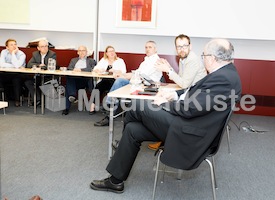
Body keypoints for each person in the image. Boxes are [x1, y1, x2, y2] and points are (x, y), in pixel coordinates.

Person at [89, 38, 242, 194]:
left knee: (137, 108)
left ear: (213, 58)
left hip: (190, 132)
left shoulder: (223, 79)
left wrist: (163, 103)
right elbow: (193, 90)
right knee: (133, 130)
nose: (203, 59)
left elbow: (190, 109)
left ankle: (120, 145)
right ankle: (115, 181)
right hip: (189, 123)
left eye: (204, 56)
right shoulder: (226, 73)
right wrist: (173, 94)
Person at [148, 34, 208, 150]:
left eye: (184, 46)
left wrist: (168, 70)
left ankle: (164, 138)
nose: (181, 49)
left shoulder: (192, 60)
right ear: (176, 48)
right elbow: (181, 78)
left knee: (160, 104)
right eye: (179, 47)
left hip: (194, 99)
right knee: (162, 95)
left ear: (190, 46)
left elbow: (184, 83)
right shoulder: (183, 59)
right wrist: (169, 67)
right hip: (188, 92)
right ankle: (163, 137)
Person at [94, 40, 162, 126]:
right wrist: (122, 75)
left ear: (155, 49)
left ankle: (108, 108)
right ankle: (109, 108)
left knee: (119, 80)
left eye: (150, 47)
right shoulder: (146, 60)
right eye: (146, 47)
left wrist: (123, 75)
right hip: (138, 83)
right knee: (119, 81)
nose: (147, 49)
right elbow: (136, 73)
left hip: (147, 87)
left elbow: (140, 75)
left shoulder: (156, 61)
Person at [89, 46, 126, 115]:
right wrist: (99, 70)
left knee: (110, 87)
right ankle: (92, 106)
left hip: (115, 81)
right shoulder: (103, 60)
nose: (112, 53)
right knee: (98, 87)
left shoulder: (120, 61)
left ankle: (109, 106)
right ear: (106, 53)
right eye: (110, 51)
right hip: (105, 80)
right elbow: (95, 69)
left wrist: (115, 70)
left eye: (113, 51)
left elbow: (124, 72)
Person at [62, 45, 97, 115]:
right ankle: (70, 101)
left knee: (69, 86)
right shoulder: (73, 60)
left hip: (85, 80)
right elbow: (69, 69)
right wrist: (74, 70)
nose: (81, 52)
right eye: (80, 51)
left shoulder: (91, 61)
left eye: (83, 50)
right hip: (74, 80)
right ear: (77, 52)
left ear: (86, 52)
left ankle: (72, 96)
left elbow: (91, 69)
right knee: (69, 77)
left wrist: (80, 70)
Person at [24, 39, 57, 105]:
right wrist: (39, 65)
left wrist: (39, 66)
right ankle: (37, 99)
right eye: (42, 46)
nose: (45, 48)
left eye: (46, 46)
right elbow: (29, 65)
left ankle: (43, 101)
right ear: (38, 48)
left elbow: (49, 66)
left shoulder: (52, 54)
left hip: (48, 77)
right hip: (38, 76)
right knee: (28, 82)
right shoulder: (35, 54)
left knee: (45, 83)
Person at [0, 39, 26, 106]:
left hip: (18, 74)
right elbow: (1, 64)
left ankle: (17, 100)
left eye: (15, 44)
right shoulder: (4, 52)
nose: (14, 46)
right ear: (7, 47)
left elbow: (17, 66)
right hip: (6, 73)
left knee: (16, 79)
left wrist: (13, 54)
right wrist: (13, 66)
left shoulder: (21, 54)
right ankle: (3, 99)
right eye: (11, 45)